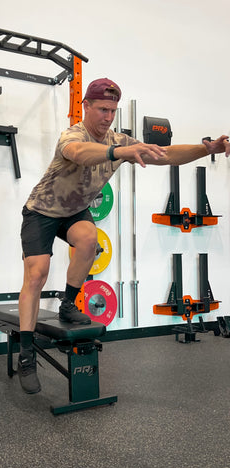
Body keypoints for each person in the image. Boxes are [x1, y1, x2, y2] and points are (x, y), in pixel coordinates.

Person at [17, 77, 230, 394]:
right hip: (42, 211)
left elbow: (167, 154)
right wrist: (119, 151)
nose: (107, 117)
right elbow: (79, 153)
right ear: (86, 106)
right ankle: (26, 354)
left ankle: (67, 303)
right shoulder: (73, 134)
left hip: (73, 212)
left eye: (112, 111)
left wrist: (206, 148)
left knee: (90, 241)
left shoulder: (120, 140)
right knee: (37, 274)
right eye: (102, 109)